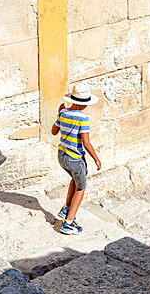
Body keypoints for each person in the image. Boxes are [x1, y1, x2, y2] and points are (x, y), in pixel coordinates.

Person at [51, 82, 101, 236]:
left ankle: (66, 209)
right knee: (81, 187)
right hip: (75, 158)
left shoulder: (63, 112)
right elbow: (86, 142)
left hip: (62, 156)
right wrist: (96, 158)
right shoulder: (82, 118)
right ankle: (68, 222)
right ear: (84, 104)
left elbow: (54, 132)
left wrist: (59, 114)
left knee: (75, 178)